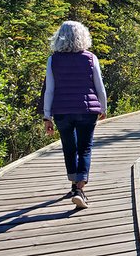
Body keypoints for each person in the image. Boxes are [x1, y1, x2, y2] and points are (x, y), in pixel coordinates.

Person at [42, 21, 107, 209]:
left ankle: (74, 185)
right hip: (87, 111)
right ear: (83, 36)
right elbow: (99, 86)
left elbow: (49, 90)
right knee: (84, 148)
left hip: (62, 111)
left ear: (59, 37)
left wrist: (47, 116)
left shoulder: (53, 60)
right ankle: (79, 189)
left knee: (69, 148)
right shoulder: (90, 58)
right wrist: (103, 107)